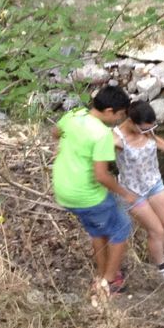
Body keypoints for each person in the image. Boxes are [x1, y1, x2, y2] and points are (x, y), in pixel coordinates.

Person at [52, 86, 135, 295]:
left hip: (63, 189)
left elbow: (55, 132)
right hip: (86, 195)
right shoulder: (101, 135)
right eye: (120, 114)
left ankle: (102, 272)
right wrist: (124, 193)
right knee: (122, 227)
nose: (120, 119)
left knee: (98, 229)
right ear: (109, 111)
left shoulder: (74, 115)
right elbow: (102, 176)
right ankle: (108, 282)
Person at [113, 100, 164, 286]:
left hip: (154, 183)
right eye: (144, 129)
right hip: (132, 192)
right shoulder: (116, 139)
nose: (147, 131)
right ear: (131, 122)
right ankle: (162, 267)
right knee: (155, 230)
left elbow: (157, 141)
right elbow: (98, 163)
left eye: (151, 128)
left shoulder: (147, 130)